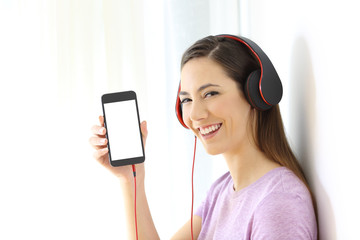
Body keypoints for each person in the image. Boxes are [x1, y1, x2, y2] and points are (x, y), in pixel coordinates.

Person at [89, 35, 318, 239]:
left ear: (256, 94)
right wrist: (131, 180)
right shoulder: (221, 191)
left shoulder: (278, 202)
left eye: (210, 93)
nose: (195, 115)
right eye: (187, 99)